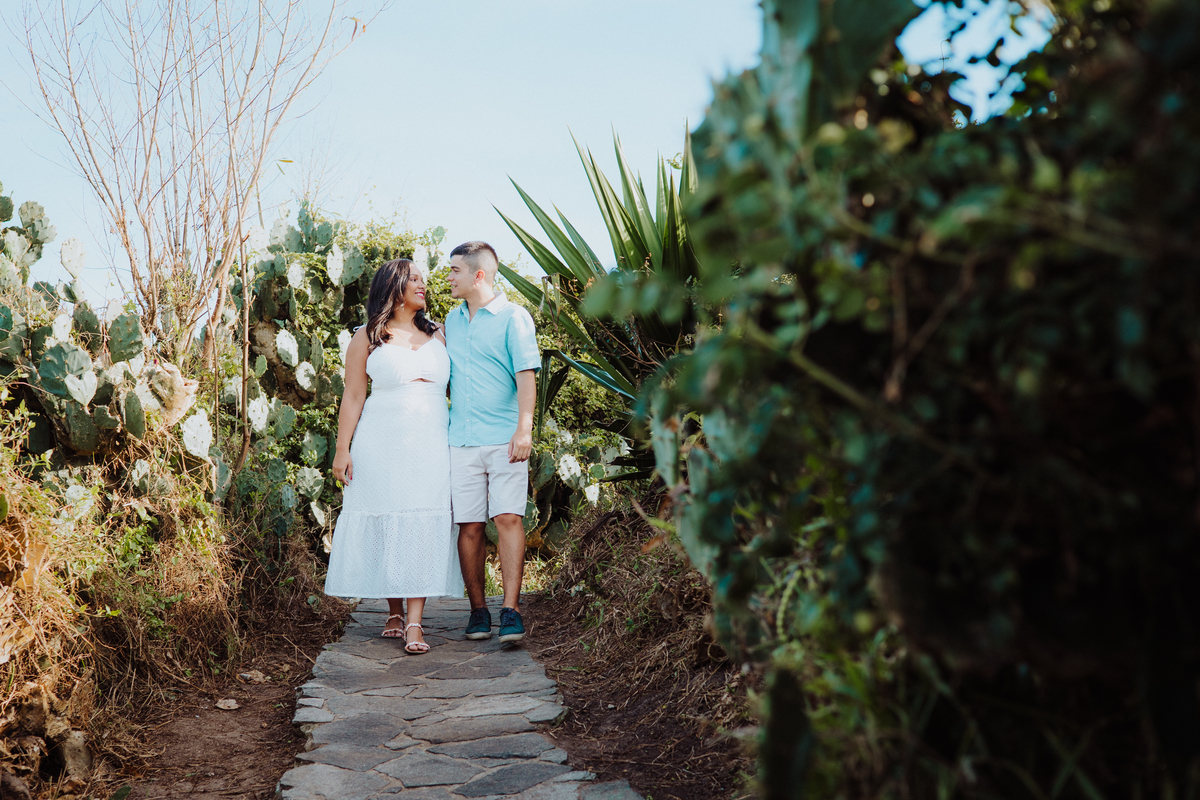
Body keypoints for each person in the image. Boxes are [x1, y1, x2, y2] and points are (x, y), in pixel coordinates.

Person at [325, 258, 463, 654]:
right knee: (389, 517)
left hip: (431, 443)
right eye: (415, 279)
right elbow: (353, 396)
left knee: (421, 521)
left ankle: (415, 621)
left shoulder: (440, 334)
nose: (424, 285)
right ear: (395, 286)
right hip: (381, 442)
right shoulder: (367, 336)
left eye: (424, 279)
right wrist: (341, 449)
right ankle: (394, 610)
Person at [444, 241, 540, 643]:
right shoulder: (450, 320)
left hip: (505, 440)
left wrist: (524, 429)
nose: (448, 277)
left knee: (508, 519)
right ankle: (478, 611)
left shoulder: (514, 318)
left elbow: (526, 375)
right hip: (461, 441)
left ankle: (511, 611)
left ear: (477, 275)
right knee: (468, 526)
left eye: (454, 271)